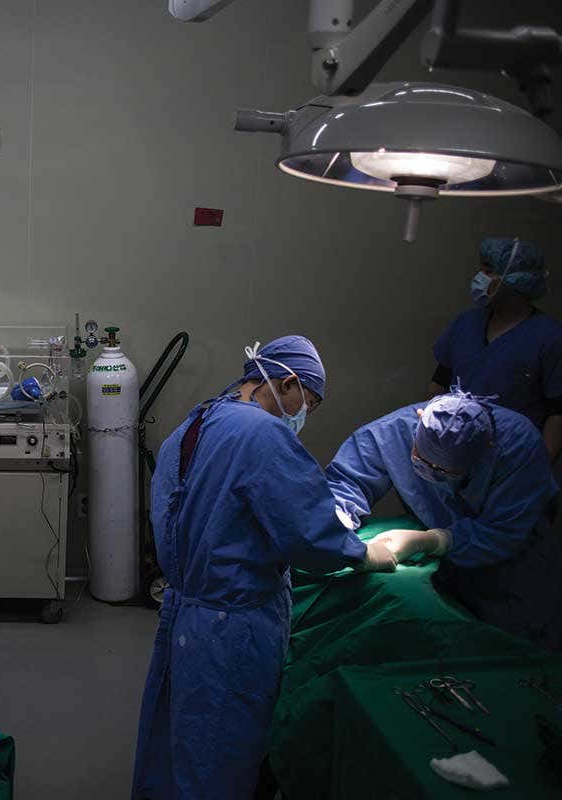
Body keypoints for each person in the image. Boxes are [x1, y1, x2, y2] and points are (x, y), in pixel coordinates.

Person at [132, 336, 394, 799]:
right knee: (220, 751)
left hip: (186, 616)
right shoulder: (262, 434)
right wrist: (364, 553)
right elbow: (312, 535)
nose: (303, 417)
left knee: (178, 740)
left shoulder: (195, 423)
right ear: (289, 383)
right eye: (307, 404)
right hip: (233, 626)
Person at [327, 389, 562, 651]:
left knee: (526, 655)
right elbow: (346, 483)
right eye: (423, 461)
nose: (433, 474)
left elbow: (504, 531)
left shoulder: (519, 446)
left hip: (516, 565)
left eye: (446, 471)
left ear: (488, 449)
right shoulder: (393, 432)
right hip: (445, 570)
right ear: (419, 422)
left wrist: (434, 540)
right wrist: (337, 526)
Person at [430, 237, 562, 460]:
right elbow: (438, 385)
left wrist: (539, 470)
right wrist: (429, 439)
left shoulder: (549, 337)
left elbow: (558, 413)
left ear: (517, 278)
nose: (479, 277)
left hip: (512, 459)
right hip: (454, 453)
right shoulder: (466, 323)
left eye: (488, 270)